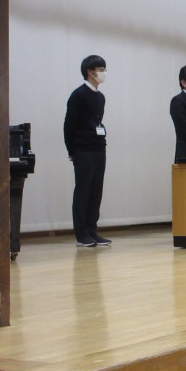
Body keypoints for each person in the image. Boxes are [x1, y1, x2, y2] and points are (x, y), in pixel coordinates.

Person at [63, 55, 112, 247]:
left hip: (98, 147)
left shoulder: (100, 97)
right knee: (83, 190)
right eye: (101, 69)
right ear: (90, 72)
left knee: (96, 190)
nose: (104, 73)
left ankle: (92, 230)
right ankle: (81, 233)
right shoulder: (78, 95)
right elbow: (69, 125)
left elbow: (97, 121)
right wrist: (72, 150)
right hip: (83, 149)